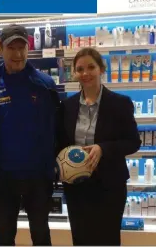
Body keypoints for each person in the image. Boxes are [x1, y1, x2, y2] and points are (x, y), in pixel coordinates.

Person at [0, 24, 60, 246]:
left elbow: (56, 125)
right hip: (3, 176)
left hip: (38, 176)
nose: (18, 54)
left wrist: (52, 164)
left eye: (23, 47)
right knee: (5, 234)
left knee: (40, 233)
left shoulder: (45, 85)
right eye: (12, 47)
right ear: (1, 48)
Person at [56, 47, 141, 246]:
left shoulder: (120, 103)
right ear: (75, 73)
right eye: (80, 69)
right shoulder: (67, 107)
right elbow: (60, 143)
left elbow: (133, 141)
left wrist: (103, 148)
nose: (85, 73)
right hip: (76, 185)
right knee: (80, 237)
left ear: (101, 69)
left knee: (107, 238)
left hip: (109, 185)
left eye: (91, 67)